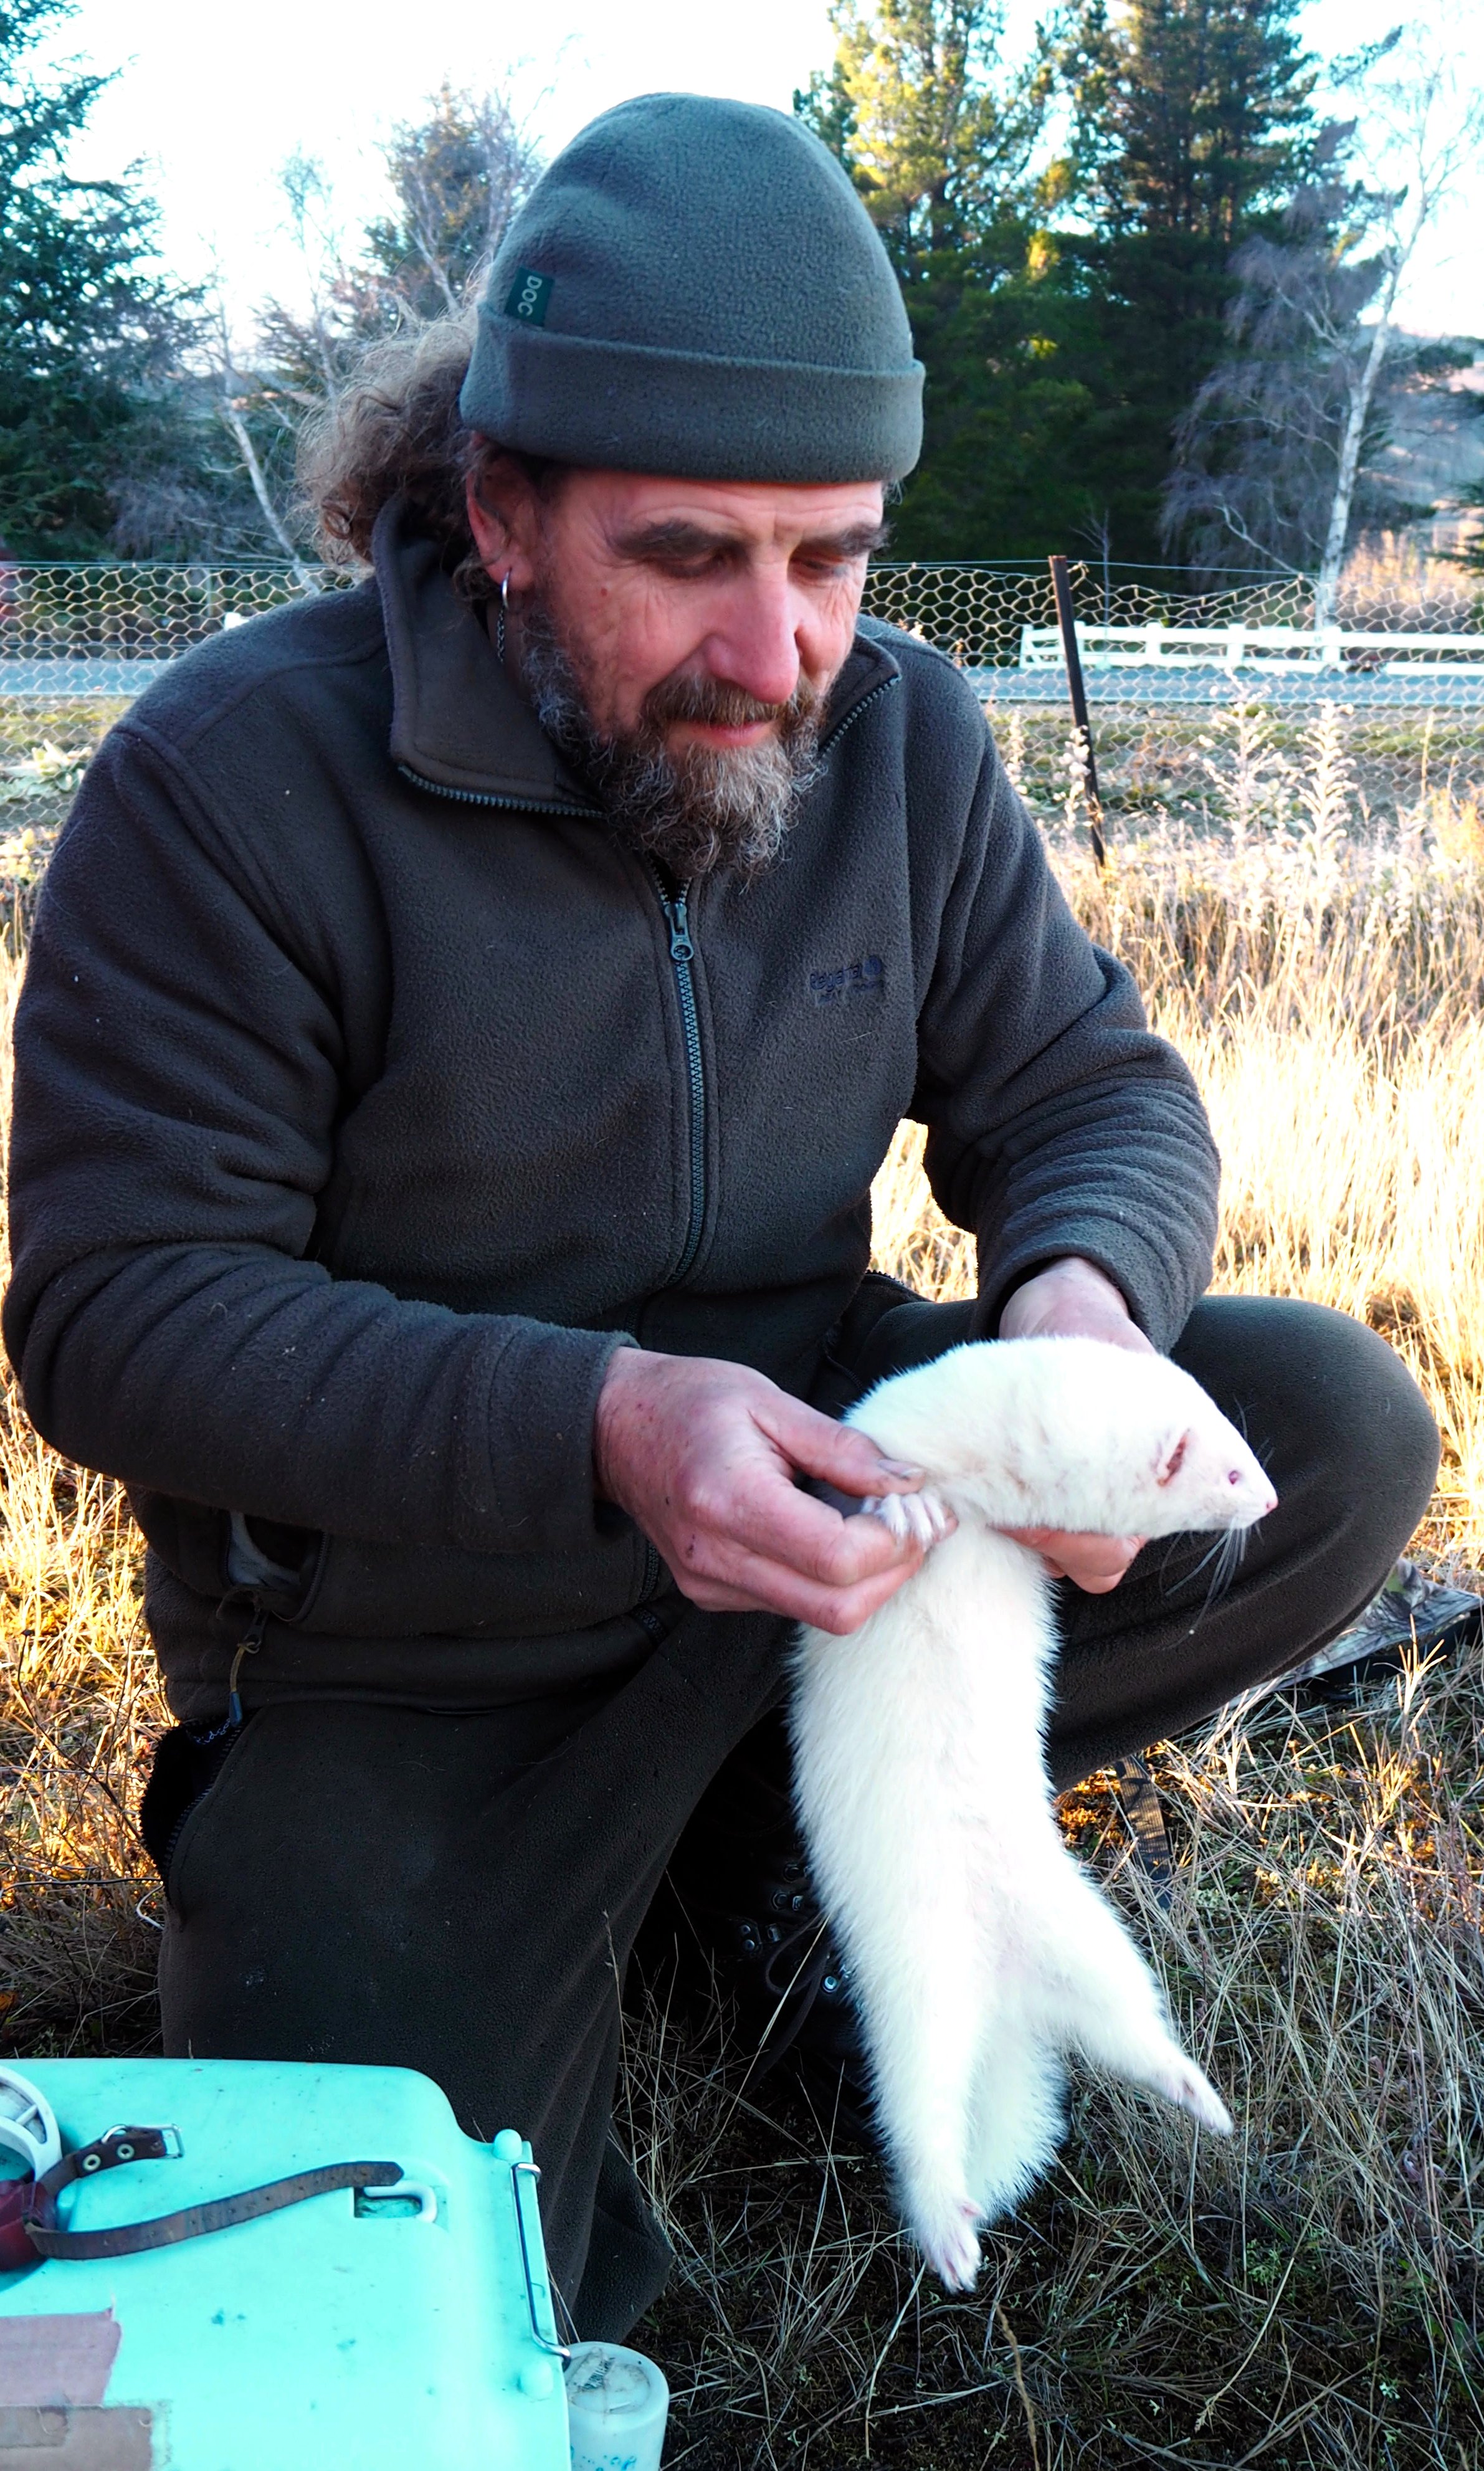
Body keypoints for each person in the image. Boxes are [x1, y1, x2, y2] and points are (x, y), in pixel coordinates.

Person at [3, 93, 1438, 2340]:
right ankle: (580, 1899)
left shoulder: (908, 741)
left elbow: (1093, 1088)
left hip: (847, 1516)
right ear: (496, 511)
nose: (779, 652)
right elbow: (118, 1314)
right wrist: (596, 1422)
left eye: (836, 555)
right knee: (423, 2288)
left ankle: (764, 1867)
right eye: (690, 555)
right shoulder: (230, 783)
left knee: (1322, 1423)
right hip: (420, 1643)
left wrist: (1081, 1316)